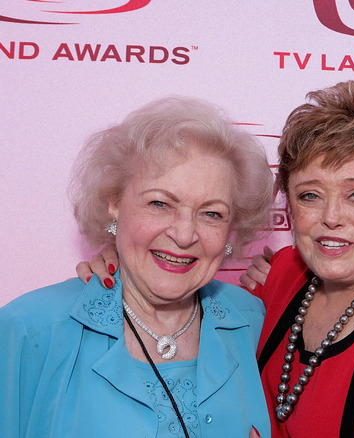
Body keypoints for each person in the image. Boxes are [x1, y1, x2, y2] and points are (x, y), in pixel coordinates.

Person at [76, 81, 354, 437]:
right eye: (310, 194)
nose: (331, 217)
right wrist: (127, 259)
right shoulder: (282, 278)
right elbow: (182, 286)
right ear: (290, 206)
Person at [0, 97, 274, 438]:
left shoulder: (256, 322)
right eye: (160, 204)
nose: (185, 234)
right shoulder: (29, 331)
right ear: (114, 202)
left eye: (212, 213)